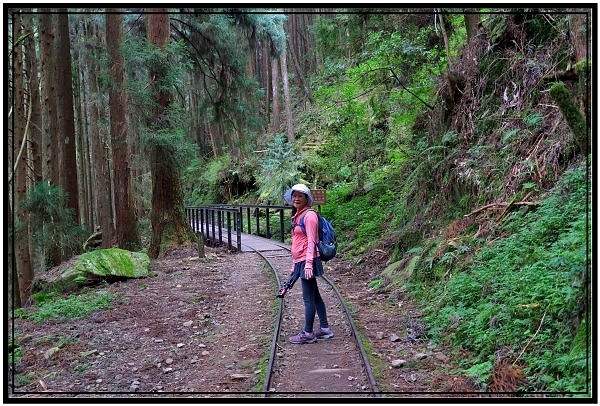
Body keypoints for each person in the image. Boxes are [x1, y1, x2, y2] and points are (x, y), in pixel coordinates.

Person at [283, 183, 334, 344]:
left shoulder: (309, 216)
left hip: (307, 259)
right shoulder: (298, 214)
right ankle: (324, 328)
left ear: (307, 198)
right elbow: (297, 241)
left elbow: (312, 240)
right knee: (315, 294)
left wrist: (308, 264)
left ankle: (308, 333)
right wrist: (294, 264)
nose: (296, 198)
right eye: (294, 195)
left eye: (300, 196)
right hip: (301, 259)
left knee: (307, 298)